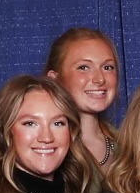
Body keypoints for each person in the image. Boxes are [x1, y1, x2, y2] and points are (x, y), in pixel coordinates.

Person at [46, 27, 121, 168]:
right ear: (54, 79)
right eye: (84, 67)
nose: (100, 79)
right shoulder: (44, 149)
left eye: (107, 67)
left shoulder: (129, 148)